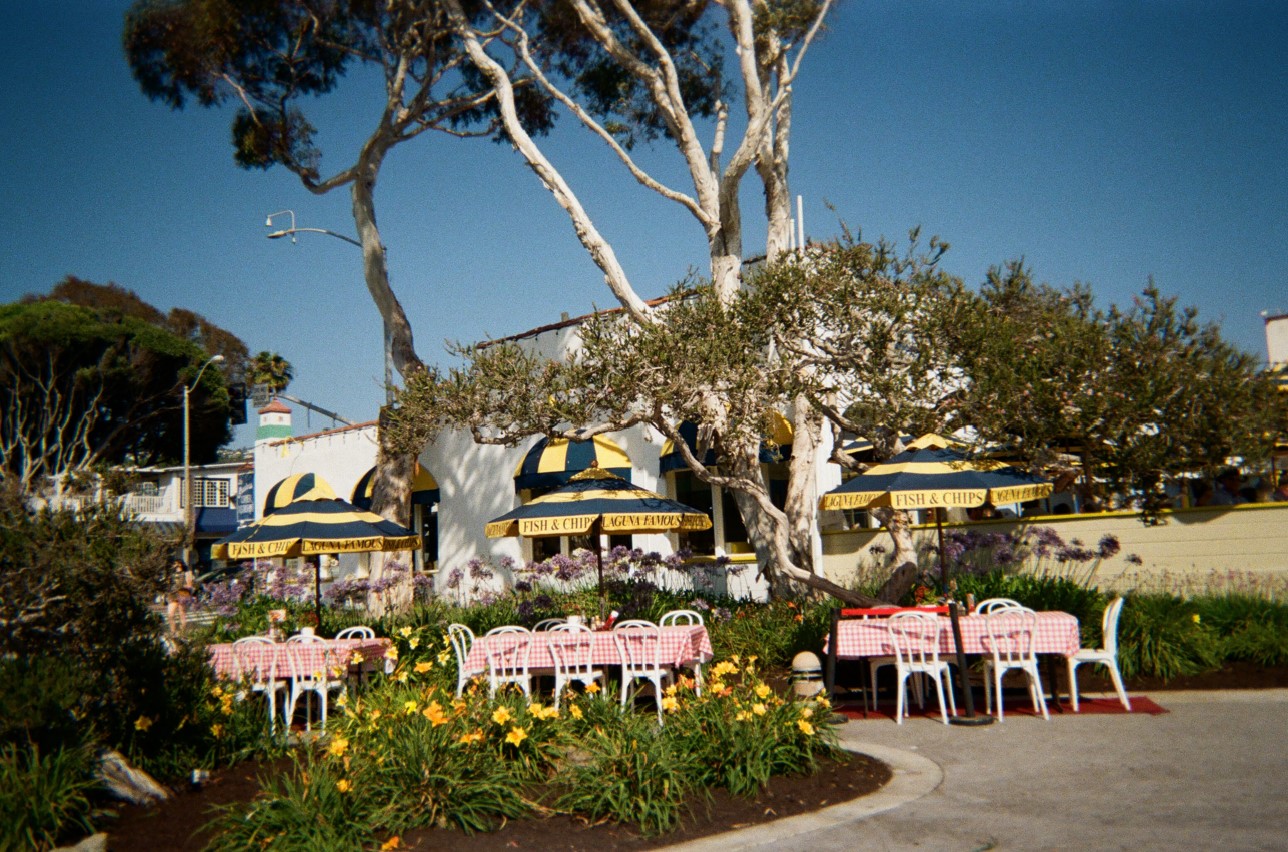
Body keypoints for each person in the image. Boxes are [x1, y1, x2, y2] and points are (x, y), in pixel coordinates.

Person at [165, 558, 195, 635]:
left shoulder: (186, 573)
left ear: (180, 564)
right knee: (170, 614)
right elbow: (168, 584)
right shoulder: (171, 574)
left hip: (182, 594)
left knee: (182, 613)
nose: (174, 565)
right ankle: (173, 630)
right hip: (173, 594)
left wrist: (184, 588)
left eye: (175, 563)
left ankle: (183, 631)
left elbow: (189, 584)